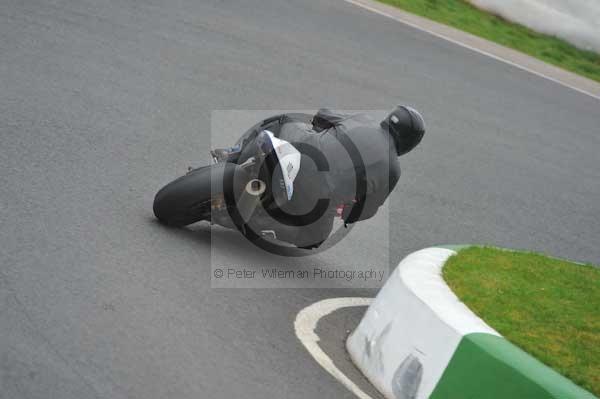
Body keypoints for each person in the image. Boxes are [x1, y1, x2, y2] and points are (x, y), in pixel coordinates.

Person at [228, 106, 425, 249]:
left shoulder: (363, 119)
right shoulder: (392, 170)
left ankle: (232, 155)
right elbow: (365, 210)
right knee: (314, 237)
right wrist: (348, 211)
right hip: (316, 195)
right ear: (410, 142)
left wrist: (321, 131)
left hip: (297, 152)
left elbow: (322, 114)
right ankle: (257, 221)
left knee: (282, 121)